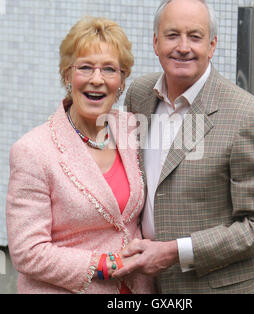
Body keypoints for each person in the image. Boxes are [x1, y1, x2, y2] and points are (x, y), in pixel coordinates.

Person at [113, 0, 254, 293]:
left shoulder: (247, 116)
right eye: (172, 35)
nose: (183, 47)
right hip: (151, 287)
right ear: (155, 42)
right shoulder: (140, 95)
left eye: (195, 36)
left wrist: (175, 252)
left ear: (212, 45)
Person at [6, 16, 155, 294]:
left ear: (122, 80)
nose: (96, 80)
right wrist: (104, 264)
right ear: (67, 75)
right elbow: (28, 252)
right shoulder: (33, 151)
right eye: (85, 67)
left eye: (109, 69)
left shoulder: (132, 129)